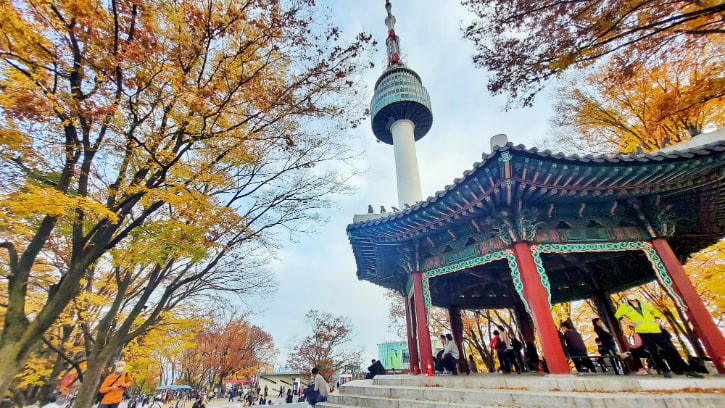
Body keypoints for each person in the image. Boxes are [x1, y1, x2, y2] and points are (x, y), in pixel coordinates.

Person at [615, 291, 703, 378]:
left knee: (671, 349)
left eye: (631, 293)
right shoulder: (624, 307)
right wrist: (628, 322)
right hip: (642, 330)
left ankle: (687, 370)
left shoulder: (644, 303)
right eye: (627, 294)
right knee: (653, 351)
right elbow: (618, 315)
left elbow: (655, 311)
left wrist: (657, 319)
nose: (630, 295)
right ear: (625, 297)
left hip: (655, 329)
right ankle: (664, 370)